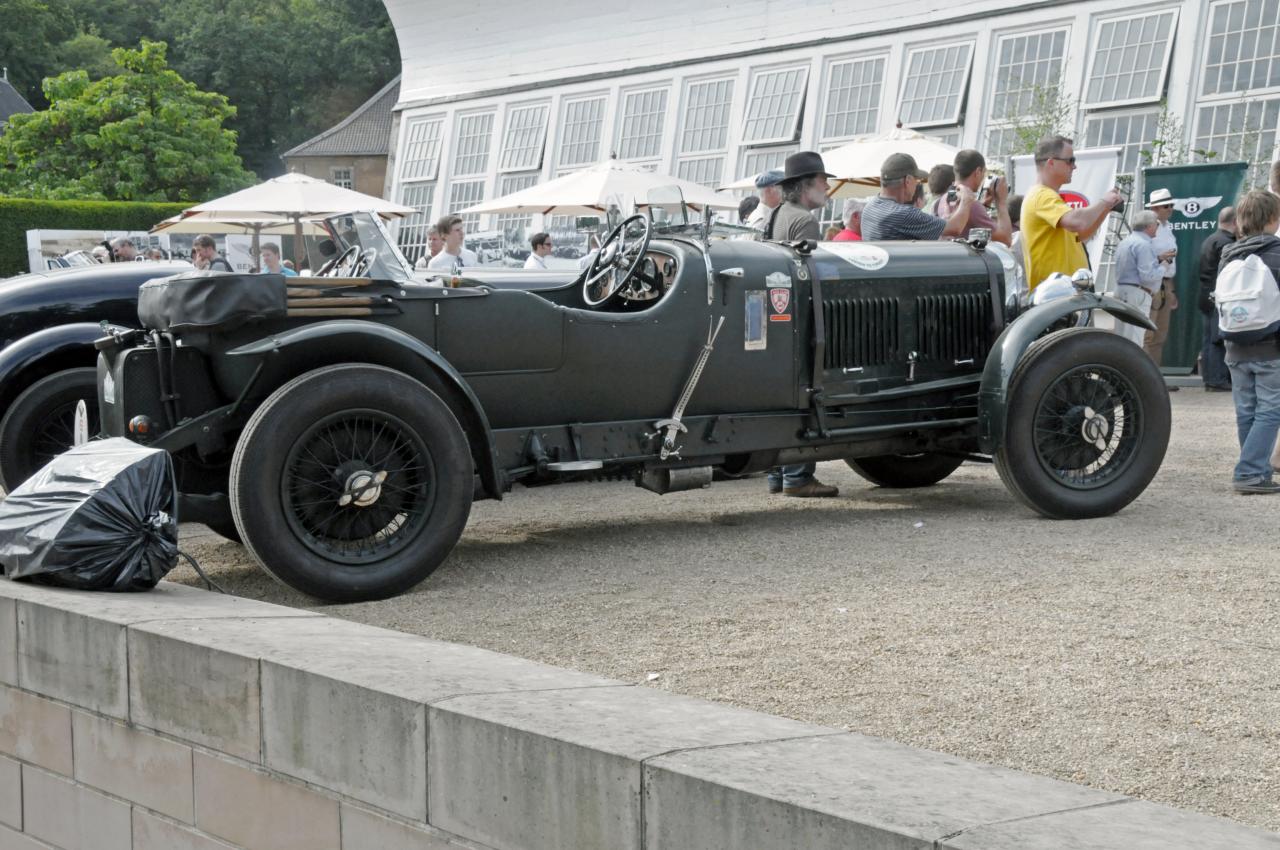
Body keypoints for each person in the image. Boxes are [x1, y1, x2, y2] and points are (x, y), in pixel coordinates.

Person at [763, 151, 839, 498]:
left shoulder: (778, 213)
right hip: (801, 318)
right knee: (808, 393)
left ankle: (779, 474)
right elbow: (812, 278)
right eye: (823, 180)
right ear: (806, 186)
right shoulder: (805, 222)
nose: (827, 185)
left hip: (779, 319)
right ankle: (798, 476)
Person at [1217, 190, 1280, 494]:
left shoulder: (1228, 254)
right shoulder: (1278, 252)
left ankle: (1256, 468)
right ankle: (1251, 471)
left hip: (1234, 346)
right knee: (1270, 410)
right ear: (1273, 219)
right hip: (1271, 346)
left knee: (1247, 411)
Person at [1020, 135, 1121, 290]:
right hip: (1055, 297)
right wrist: (1105, 202)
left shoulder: (1048, 197)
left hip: (1064, 296)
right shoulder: (1041, 195)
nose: (1074, 167)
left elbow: (1082, 234)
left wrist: (1106, 209)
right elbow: (1078, 222)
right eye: (1070, 161)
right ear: (1051, 163)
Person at [861, 153, 974, 242]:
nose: (917, 185)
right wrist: (966, 200)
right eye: (917, 180)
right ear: (908, 181)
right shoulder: (904, 214)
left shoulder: (870, 207)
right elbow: (955, 228)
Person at [933, 150, 1012, 246]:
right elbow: (1006, 240)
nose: (983, 177)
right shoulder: (972, 205)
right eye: (983, 172)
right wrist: (1001, 202)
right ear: (978, 172)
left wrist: (984, 205)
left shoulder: (942, 200)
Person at [1111, 211, 1165, 349]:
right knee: (1135, 339)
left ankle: (1119, 369)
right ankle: (1131, 370)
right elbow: (1147, 276)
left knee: (1121, 338)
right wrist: (1163, 266)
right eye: (1156, 224)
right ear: (1150, 226)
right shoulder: (1144, 245)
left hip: (1121, 290)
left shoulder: (1124, 242)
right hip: (1137, 294)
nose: (1158, 226)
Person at [1198, 206, 1236, 391]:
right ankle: (1216, 380)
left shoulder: (1211, 239)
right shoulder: (1227, 243)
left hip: (1206, 295)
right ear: (1235, 221)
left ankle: (1210, 378)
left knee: (1208, 339)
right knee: (1217, 340)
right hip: (1218, 296)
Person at [1144, 188, 1180, 366]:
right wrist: (1160, 258)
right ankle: (1144, 377)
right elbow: (1140, 259)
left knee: (1160, 334)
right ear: (1155, 209)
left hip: (1165, 283)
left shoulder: (1167, 228)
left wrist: (1171, 290)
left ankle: (1155, 377)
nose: (1171, 209)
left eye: (1172, 205)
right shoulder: (1146, 229)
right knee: (1148, 334)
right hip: (1150, 284)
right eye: (1167, 206)